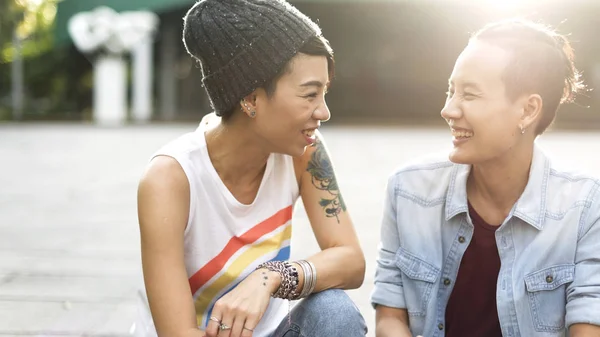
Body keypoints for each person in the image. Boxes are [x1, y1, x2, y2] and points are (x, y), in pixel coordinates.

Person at [134, 1, 368, 337]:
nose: (323, 112)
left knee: (335, 312)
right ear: (251, 99)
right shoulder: (170, 178)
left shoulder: (305, 152)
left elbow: (351, 260)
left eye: (324, 93)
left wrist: (272, 275)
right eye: (310, 94)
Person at [371, 19, 600, 337]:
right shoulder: (407, 189)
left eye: (470, 94)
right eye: (450, 90)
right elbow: (390, 319)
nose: (448, 109)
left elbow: (588, 327)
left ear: (528, 110)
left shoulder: (586, 205)